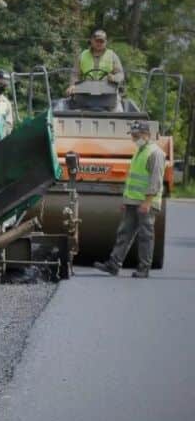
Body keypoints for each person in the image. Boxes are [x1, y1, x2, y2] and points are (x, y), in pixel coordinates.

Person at [94, 120, 164, 278]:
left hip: (146, 203)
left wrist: (147, 202)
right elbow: (132, 179)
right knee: (124, 233)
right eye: (132, 135)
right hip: (132, 202)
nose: (133, 138)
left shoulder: (155, 153)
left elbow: (156, 181)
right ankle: (113, 264)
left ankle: (144, 268)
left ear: (146, 135)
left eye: (136, 135)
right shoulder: (139, 151)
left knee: (145, 236)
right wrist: (126, 200)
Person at [66, 29, 124, 96]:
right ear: (91, 41)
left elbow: (120, 74)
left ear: (105, 42)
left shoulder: (112, 55)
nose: (99, 43)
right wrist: (72, 85)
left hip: (108, 93)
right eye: (97, 41)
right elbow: (75, 74)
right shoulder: (83, 55)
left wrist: (114, 78)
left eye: (101, 41)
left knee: (119, 101)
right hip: (86, 92)